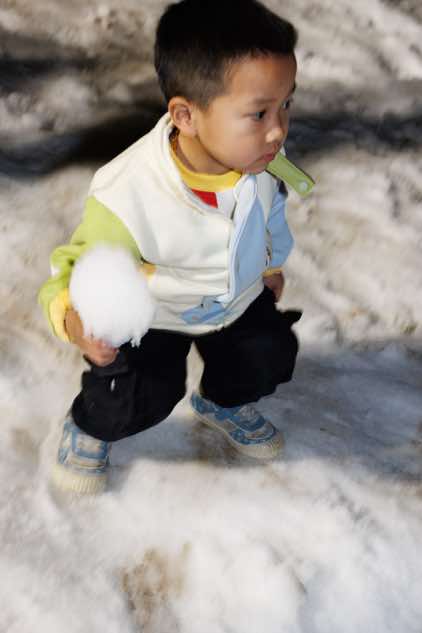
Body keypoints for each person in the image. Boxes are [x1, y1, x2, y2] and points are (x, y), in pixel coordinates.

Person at [39, 0, 310, 495]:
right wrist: (76, 320)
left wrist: (269, 265)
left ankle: (222, 402)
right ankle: (90, 426)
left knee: (267, 353)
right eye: (259, 113)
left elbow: (270, 214)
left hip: (235, 297)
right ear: (186, 115)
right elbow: (75, 268)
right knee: (137, 395)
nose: (278, 129)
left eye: (286, 105)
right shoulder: (128, 193)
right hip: (157, 313)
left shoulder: (265, 160)